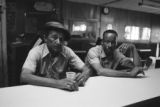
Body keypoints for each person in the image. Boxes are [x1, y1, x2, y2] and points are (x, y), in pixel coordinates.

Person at [20, 21, 90, 91]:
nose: (58, 42)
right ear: (45, 38)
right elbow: (24, 76)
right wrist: (58, 83)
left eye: (61, 39)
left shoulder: (67, 51)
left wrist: (83, 76)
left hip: (61, 92)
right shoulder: (36, 51)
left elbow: (86, 69)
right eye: (54, 37)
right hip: (40, 91)